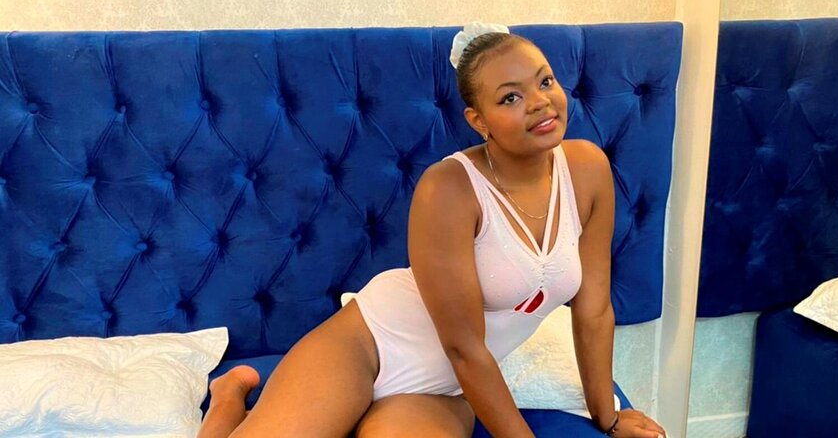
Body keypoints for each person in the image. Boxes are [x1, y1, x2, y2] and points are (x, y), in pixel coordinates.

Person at [197, 22, 667, 438]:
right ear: (478, 120)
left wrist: (608, 418)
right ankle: (228, 398)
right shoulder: (449, 187)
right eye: (511, 97)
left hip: (443, 388)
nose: (540, 102)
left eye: (544, 81)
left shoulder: (587, 169)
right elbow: (464, 346)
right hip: (370, 346)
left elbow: (594, 309)